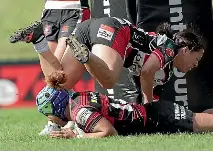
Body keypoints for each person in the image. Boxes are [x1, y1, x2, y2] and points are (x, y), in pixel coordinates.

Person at [35, 73, 213, 139]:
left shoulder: (80, 111)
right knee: (205, 120)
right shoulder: (78, 99)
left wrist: (74, 136)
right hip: (153, 114)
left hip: (158, 119)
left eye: (48, 115)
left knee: (203, 123)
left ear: (55, 109)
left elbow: (108, 132)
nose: (51, 120)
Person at [9, 0, 91, 135]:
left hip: (72, 9)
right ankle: (65, 122)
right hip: (54, 9)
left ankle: (56, 123)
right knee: (55, 75)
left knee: (57, 74)